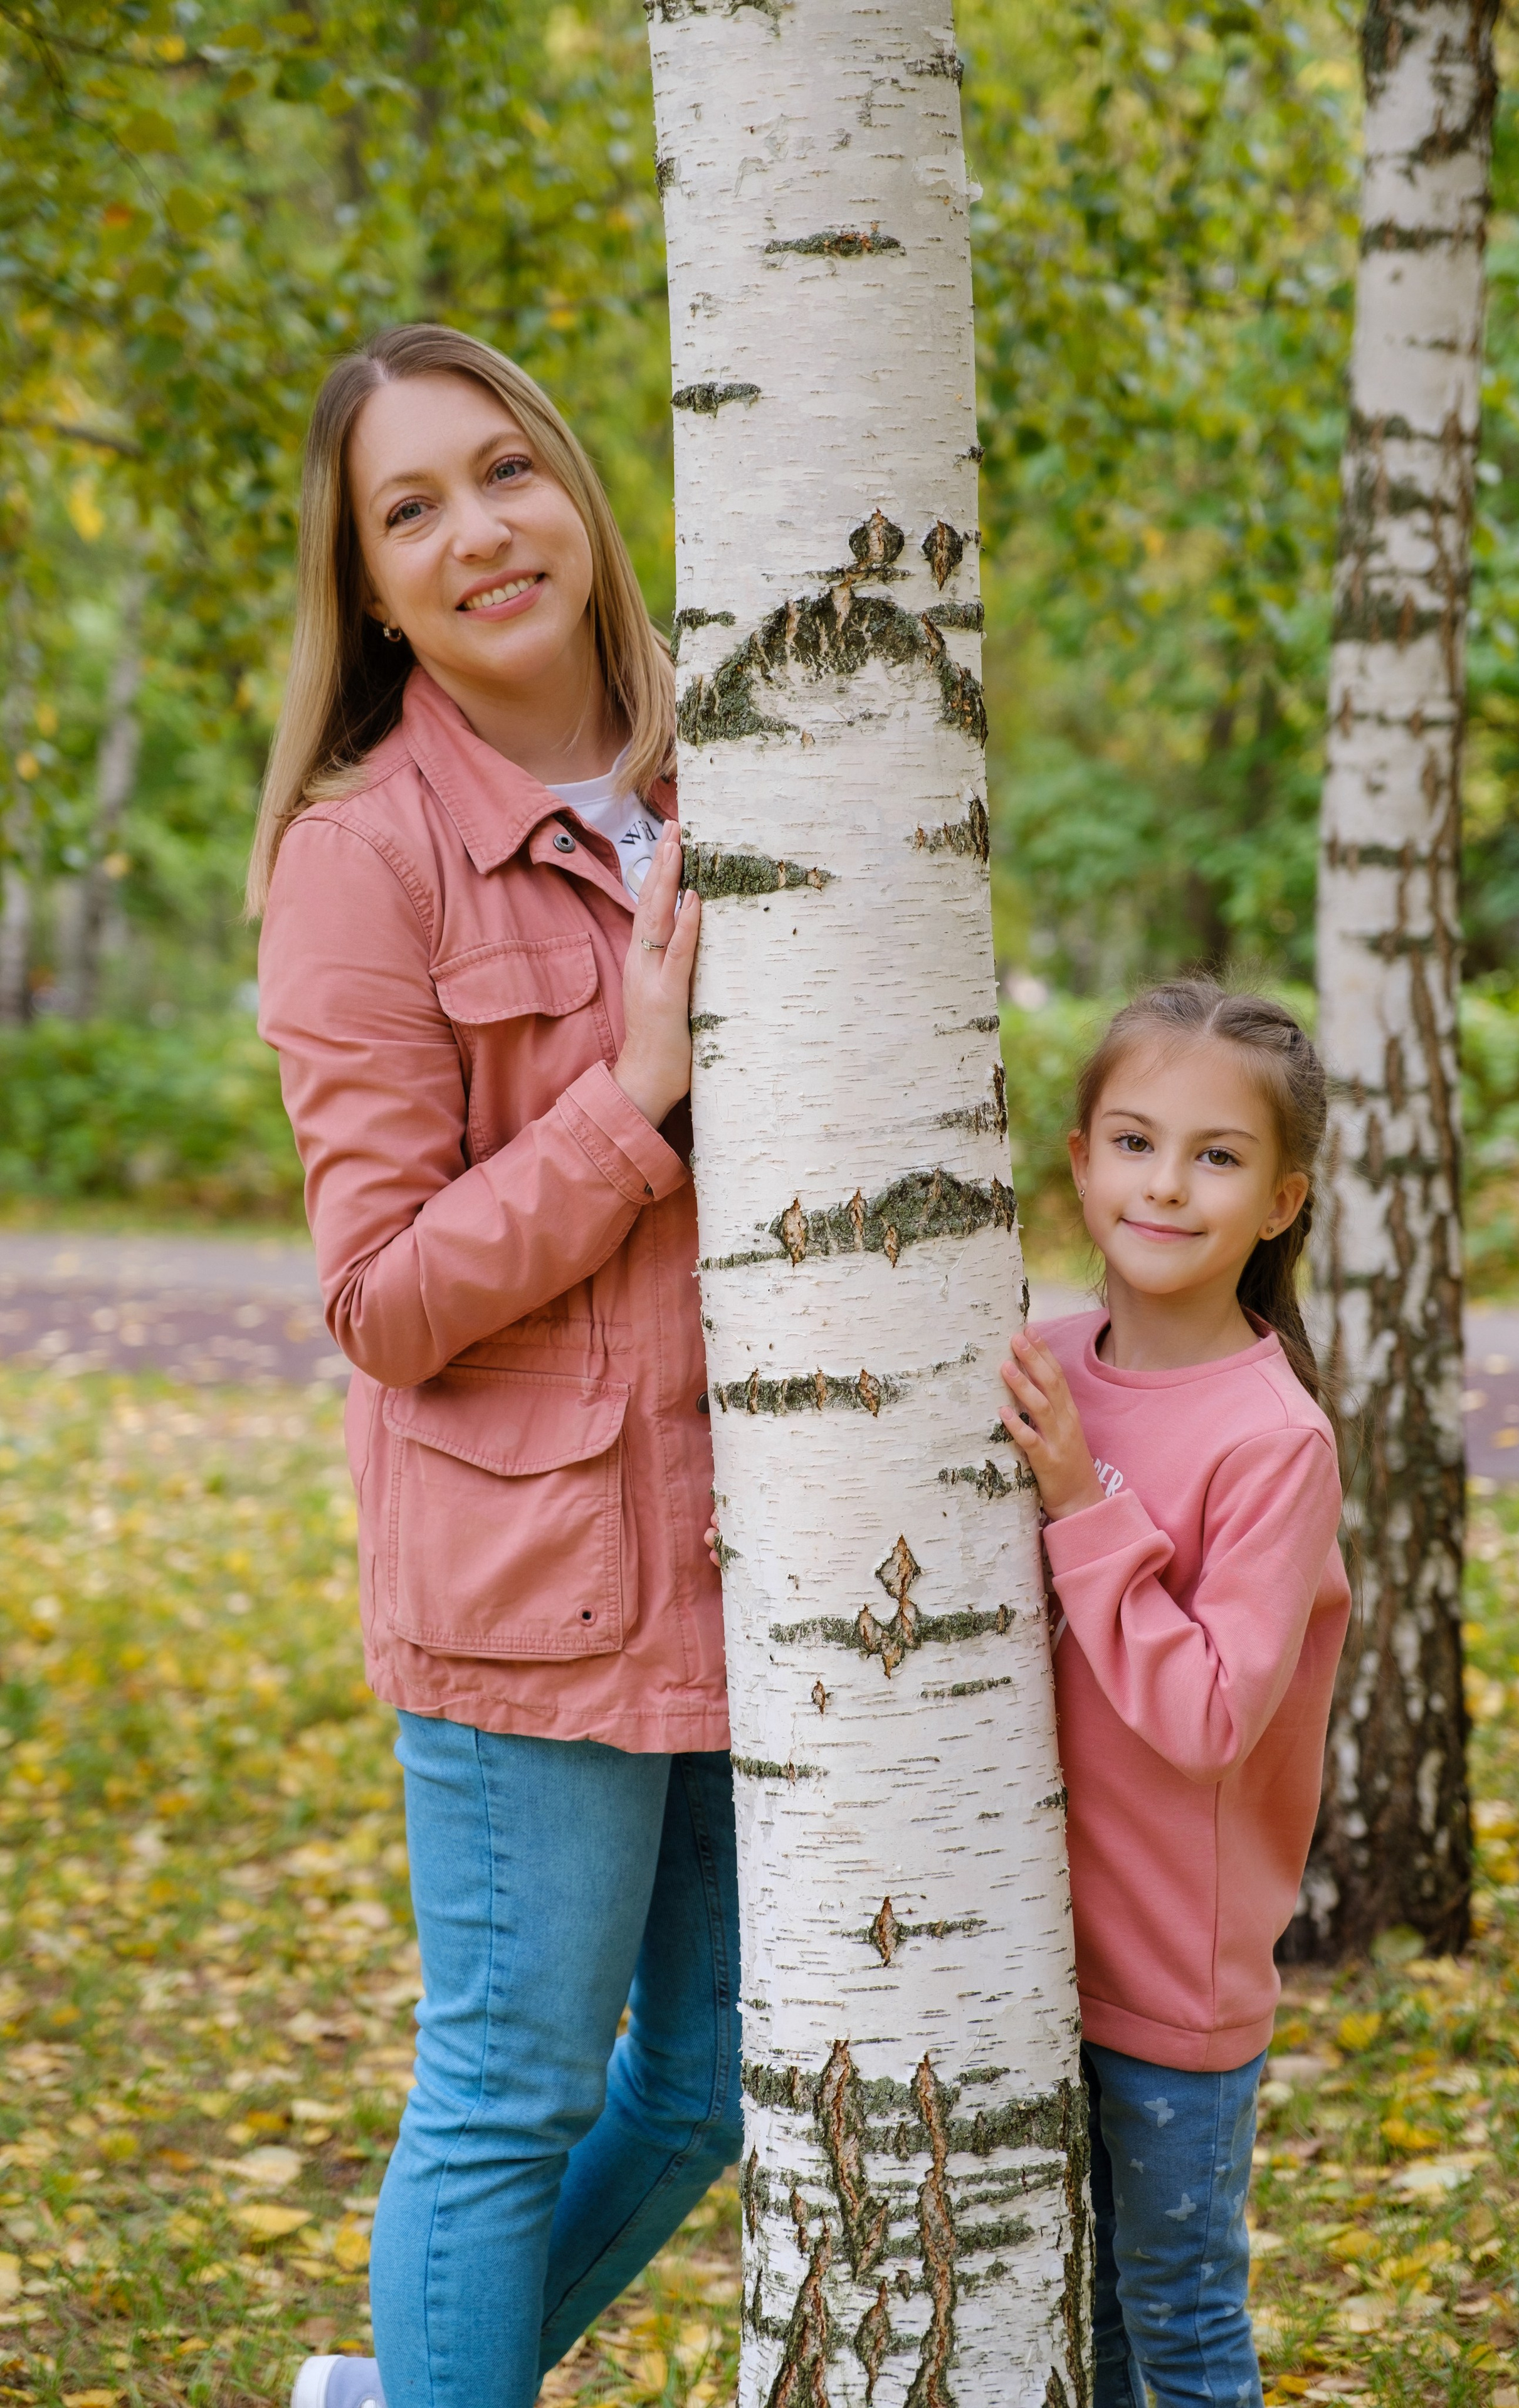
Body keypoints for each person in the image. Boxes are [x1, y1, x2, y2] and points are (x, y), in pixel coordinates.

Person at [248, 324, 740, 2408]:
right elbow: (376, 1295)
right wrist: (628, 1104)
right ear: (367, 588)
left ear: (580, 488)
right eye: (411, 509)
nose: (480, 533)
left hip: (761, 1547)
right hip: (537, 1583)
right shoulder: (359, 857)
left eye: (507, 470)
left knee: (713, 2082)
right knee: (513, 2088)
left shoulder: (745, 781)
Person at [997, 980, 1351, 2408]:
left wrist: (1083, 1501)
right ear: (1078, 1160)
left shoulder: (1272, 1441)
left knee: (1178, 2318)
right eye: (1135, 1142)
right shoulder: (1046, 1362)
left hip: (1167, 1981)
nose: (1166, 1183)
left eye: (1214, 1156)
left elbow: (1210, 1712)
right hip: (1015, 1956)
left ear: (1278, 1201)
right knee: (1075, 2310)